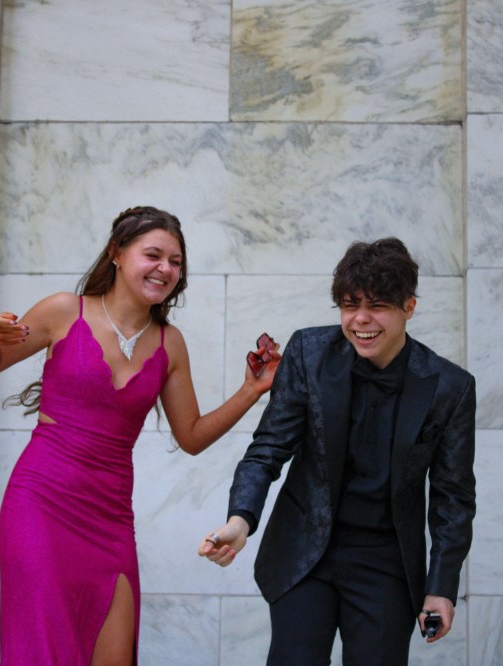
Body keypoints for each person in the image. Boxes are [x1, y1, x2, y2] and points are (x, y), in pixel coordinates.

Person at [0, 206, 279, 665]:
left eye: (175, 262)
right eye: (153, 255)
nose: (165, 269)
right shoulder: (63, 310)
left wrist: (251, 390)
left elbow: (192, 436)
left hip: (110, 518)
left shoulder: (170, 343)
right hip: (40, 504)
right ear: (116, 253)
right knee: (42, 650)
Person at [198, 238, 476, 665]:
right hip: (303, 551)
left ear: (409, 307)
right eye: (349, 305)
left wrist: (441, 587)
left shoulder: (449, 387)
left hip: (385, 562)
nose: (361, 319)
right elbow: (268, 448)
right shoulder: (308, 354)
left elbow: (452, 498)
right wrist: (241, 520)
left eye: (378, 306)